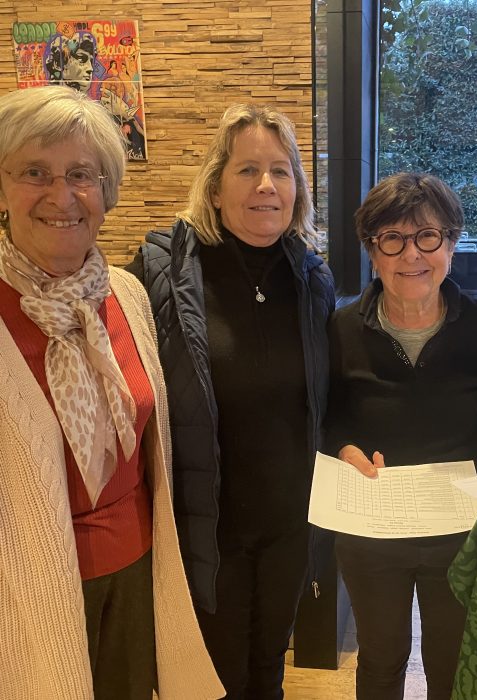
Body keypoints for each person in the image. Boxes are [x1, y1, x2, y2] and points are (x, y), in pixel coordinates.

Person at [0, 85, 223, 699]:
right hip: (26, 589)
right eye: (34, 172)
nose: (61, 196)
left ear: (106, 190)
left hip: (138, 570)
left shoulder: (126, 294)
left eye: (81, 174)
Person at [127, 102, 335, 699]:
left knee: (269, 668)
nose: (266, 185)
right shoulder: (161, 273)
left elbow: (326, 399)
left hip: (288, 524)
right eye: (247, 170)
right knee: (216, 678)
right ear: (215, 188)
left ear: (297, 190)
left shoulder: (312, 279)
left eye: (281, 171)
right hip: (207, 526)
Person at [325, 172, 477, 700]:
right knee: (381, 658)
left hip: (459, 530)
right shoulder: (339, 329)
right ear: (372, 251)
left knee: (451, 661)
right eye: (392, 239)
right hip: (371, 527)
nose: (412, 254)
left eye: (428, 236)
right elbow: (326, 417)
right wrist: (343, 447)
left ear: (450, 244)